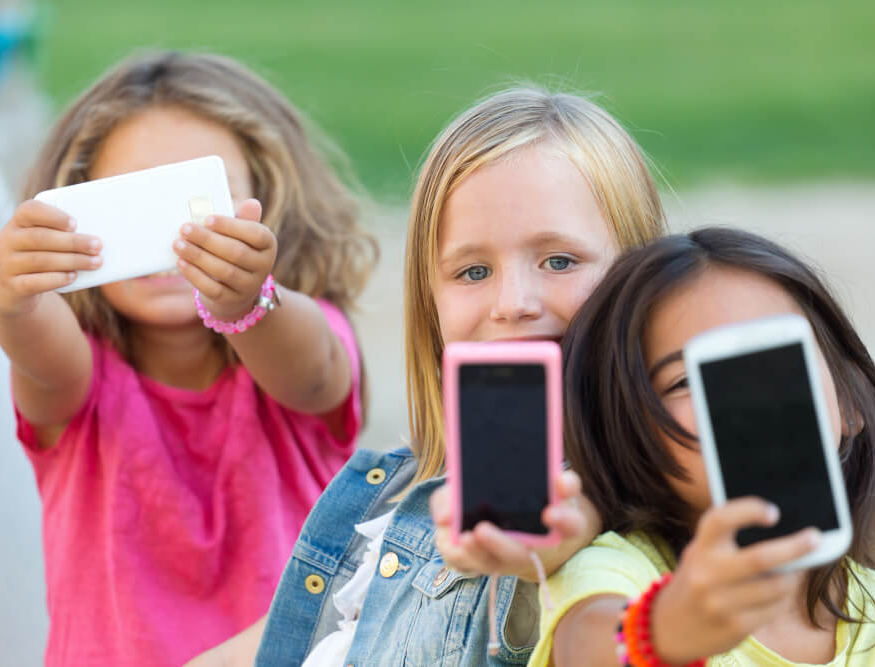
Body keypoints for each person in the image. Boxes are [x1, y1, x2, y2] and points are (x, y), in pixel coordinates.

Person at [244, 86, 667, 666]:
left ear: (645, 275)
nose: (513, 303)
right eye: (473, 271)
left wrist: (563, 536)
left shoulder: (647, 498)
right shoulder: (385, 494)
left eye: (560, 261)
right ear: (431, 306)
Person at [0, 51, 378, 666]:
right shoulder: (80, 378)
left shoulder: (300, 334)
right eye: (131, 202)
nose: (175, 239)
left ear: (267, 204)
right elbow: (40, 353)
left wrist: (245, 300)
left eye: (197, 201)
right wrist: (14, 300)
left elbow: (314, 373)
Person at [531, 227, 875, 665]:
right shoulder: (620, 570)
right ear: (627, 431)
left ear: (849, 401)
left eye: (771, 356)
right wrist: (666, 629)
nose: (744, 399)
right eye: (688, 380)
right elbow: (585, 645)